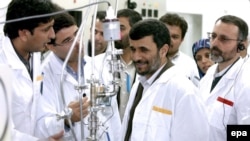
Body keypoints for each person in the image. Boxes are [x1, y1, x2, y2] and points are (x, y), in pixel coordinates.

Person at [35, 10, 121, 141]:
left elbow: (113, 116)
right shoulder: (43, 77)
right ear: (51, 46)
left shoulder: (97, 67)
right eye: (67, 40)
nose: (77, 43)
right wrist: (66, 119)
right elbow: (39, 127)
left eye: (77, 34)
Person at [120, 19, 209, 141]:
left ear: (163, 51)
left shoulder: (183, 91)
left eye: (144, 50)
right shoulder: (139, 84)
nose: (136, 57)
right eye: (133, 49)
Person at [0, 0, 63, 140]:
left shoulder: (34, 55)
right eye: (46, 29)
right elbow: (3, 132)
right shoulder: (2, 65)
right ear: (24, 34)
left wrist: (66, 119)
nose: (52, 35)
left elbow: (34, 115)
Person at [199, 15, 250, 141]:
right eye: (213, 36)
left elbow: (245, 133)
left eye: (224, 39)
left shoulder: (246, 83)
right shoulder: (210, 72)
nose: (215, 43)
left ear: (241, 46)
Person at [95, 8, 143, 122]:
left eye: (121, 28)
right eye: (114, 27)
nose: (116, 33)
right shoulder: (99, 64)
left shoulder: (144, 65)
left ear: (135, 32)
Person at [159, 13, 200, 86]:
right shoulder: (149, 60)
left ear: (182, 40)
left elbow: (196, 92)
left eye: (175, 37)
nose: (169, 40)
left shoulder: (189, 64)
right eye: (166, 35)